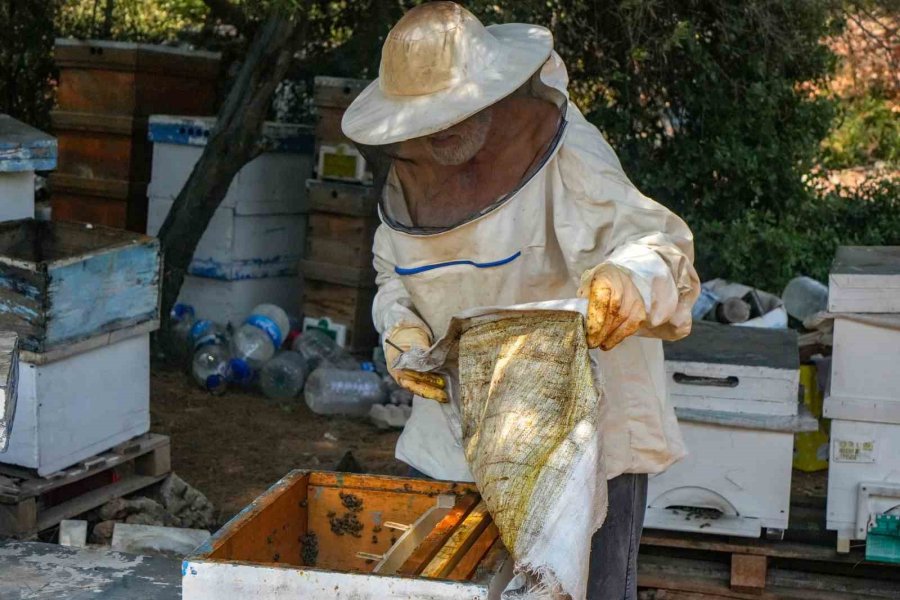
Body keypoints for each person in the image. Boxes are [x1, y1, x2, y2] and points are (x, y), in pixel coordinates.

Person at [341, 3, 700, 598]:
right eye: (424, 121)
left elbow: (658, 247)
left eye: (451, 113)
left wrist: (626, 283)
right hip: (457, 438)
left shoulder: (570, 154)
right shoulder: (412, 175)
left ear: (492, 94)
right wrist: (399, 327)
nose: (439, 134)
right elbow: (393, 275)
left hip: (582, 440)